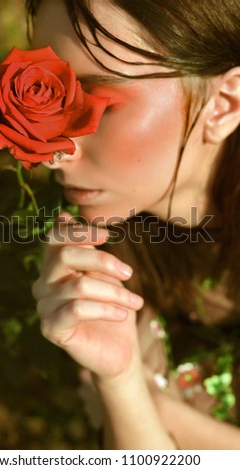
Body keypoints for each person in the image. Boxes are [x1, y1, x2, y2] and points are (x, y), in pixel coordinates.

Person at [28, 0, 240, 449]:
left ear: (224, 104)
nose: (52, 152)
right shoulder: (103, 245)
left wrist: (161, 411)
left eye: (98, 106)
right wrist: (121, 382)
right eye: (48, 99)